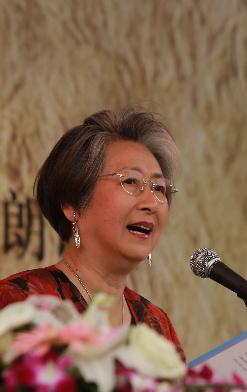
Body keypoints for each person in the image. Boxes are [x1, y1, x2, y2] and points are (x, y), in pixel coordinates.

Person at [0, 108, 184, 359]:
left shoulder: (157, 326)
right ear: (73, 203)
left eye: (159, 188)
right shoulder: (18, 303)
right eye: (131, 181)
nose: (151, 202)